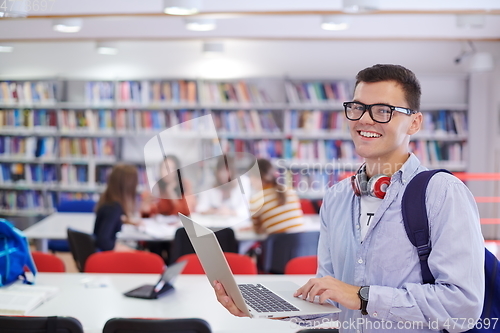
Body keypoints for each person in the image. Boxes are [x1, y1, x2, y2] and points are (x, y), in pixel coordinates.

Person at [213, 64, 485, 332]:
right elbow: (333, 297)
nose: (364, 119)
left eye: (383, 110)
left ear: (414, 122)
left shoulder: (443, 193)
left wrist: (363, 297)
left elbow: (462, 308)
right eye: (357, 108)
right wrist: (270, 308)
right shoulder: (337, 198)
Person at [249, 158, 305, 234]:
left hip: (278, 244)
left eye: (250, 176)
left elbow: (257, 230)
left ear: (257, 177)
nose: (250, 181)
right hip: (301, 243)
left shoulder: (256, 200)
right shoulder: (290, 191)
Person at [93, 164, 141, 252]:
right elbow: (103, 241)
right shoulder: (114, 209)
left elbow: (109, 223)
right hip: (107, 258)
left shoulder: (109, 202)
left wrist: (127, 221)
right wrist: (126, 249)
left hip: (101, 255)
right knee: (143, 255)